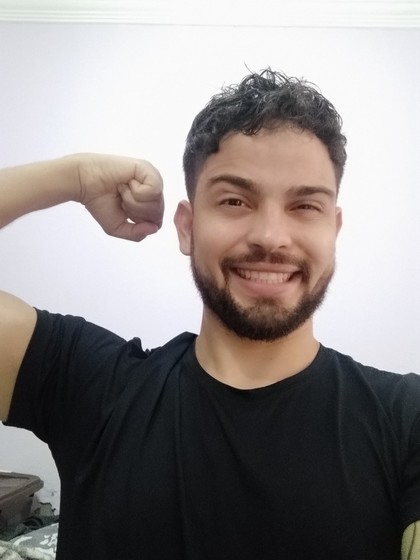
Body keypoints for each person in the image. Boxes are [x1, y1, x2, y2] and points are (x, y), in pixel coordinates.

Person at [0, 69, 419, 560]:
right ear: (187, 227)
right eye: (235, 200)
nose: (271, 237)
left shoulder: (406, 419)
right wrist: (76, 177)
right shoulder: (89, 385)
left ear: (333, 229)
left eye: (305, 206)